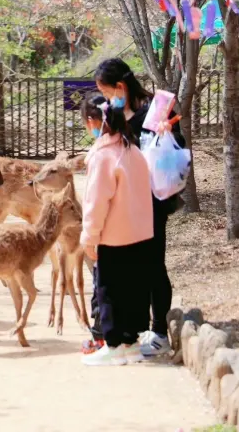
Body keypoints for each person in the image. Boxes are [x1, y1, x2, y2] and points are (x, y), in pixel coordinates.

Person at [94, 57, 186, 358]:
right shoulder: (114, 113)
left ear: (121, 86)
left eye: (109, 92)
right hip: (126, 201)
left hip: (154, 199)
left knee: (153, 264)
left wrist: (166, 132)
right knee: (131, 268)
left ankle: (159, 330)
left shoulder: (157, 108)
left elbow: (177, 143)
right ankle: (138, 329)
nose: (108, 99)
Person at [80, 95, 154, 366]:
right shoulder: (133, 150)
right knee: (133, 290)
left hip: (113, 236)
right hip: (140, 234)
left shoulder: (103, 155)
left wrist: (90, 236)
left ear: (92, 122)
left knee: (109, 290)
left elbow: (95, 201)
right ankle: (131, 344)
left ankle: (113, 345)